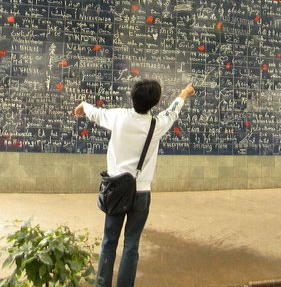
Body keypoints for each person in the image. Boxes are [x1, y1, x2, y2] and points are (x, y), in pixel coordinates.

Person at [74, 80, 195, 287]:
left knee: (109, 242)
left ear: (132, 96)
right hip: (141, 194)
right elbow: (174, 109)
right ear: (154, 102)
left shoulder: (118, 116)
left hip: (115, 191)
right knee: (131, 245)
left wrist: (84, 105)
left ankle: (102, 284)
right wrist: (184, 93)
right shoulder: (157, 124)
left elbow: (95, 112)